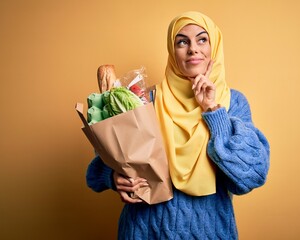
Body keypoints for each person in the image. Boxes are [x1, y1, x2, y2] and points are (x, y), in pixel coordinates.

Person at [86, 11, 270, 239]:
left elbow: (250, 176)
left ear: (214, 46)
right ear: (172, 52)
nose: (193, 48)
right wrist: (114, 177)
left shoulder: (233, 103)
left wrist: (212, 110)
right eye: (182, 41)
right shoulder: (146, 99)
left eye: (202, 39)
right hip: (144, 231)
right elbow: (99, 167)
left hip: (209, 232)